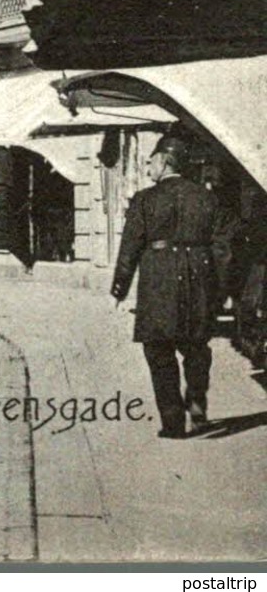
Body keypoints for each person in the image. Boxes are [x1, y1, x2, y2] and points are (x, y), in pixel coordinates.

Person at [111, 134, 237, 439]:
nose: (148, 166)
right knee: (196, 347)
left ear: (165, 161)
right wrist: (220, 292)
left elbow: (130, 247)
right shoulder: (208, 199)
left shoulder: (144, 200)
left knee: (159, 351)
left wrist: (119, 288)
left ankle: (173, 423)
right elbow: (223, 249)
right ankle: (196, 402)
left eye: (151, 160)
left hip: (159, 279)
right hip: (199, 278)